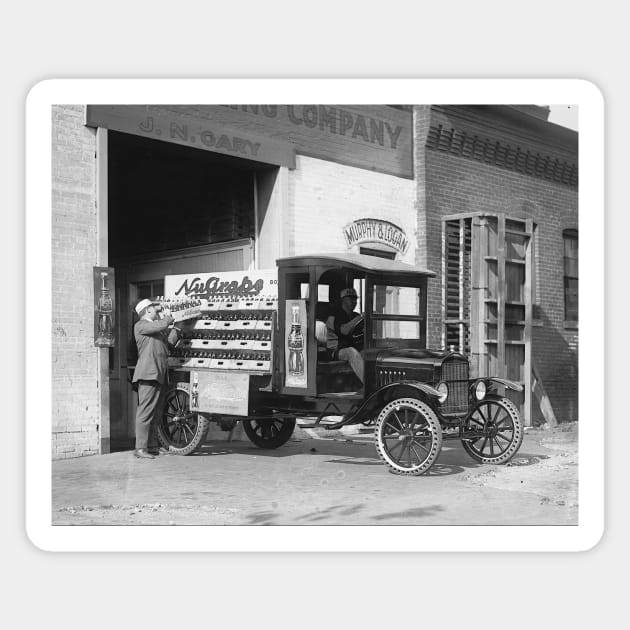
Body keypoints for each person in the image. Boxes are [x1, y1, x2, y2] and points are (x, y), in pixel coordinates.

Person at [132, 298, 181, 459]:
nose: (157, 310)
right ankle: (140, 448)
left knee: (156, 413)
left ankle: (152, 446)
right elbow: (160, 325)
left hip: (158, 374)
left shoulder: (155, 328)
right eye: (155, 307)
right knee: (145, 413)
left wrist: (178, 328)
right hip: (147, 374)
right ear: (148, 310)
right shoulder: (141, 325)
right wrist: (168, 317)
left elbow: (168, 343)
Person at [326, 287, 364, 384]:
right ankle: (369, 388)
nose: (354, 301)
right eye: (350, 298)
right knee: (351, 352)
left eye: (355, 298)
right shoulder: (333, 316)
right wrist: (360, 317)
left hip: (353, 347)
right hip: (334, 352)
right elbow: (344, 330)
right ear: (343, 299)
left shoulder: (356, 315)